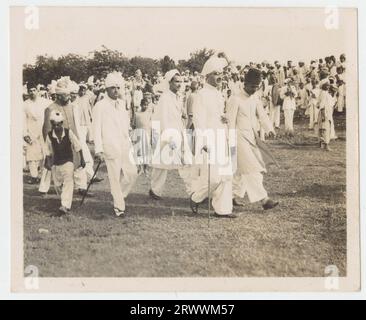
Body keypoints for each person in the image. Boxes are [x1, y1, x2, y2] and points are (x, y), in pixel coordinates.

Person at [189, 56, 237, 218]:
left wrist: (224, 118)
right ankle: (196, 197)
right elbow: (198, 120)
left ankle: (223, 209)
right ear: (207, 75)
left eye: (221, 73)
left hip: (221, 137)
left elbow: (216, 114)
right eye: (216, 74)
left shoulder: (218, 93)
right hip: (209, 140)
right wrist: (203, 141)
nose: (220, 77)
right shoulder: (201, 95)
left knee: (226, 176)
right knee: (214, 177)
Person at [227, 68, 278, 210]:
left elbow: (262, 114)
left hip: (251, 137)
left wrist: (270, 129)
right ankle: (264, 200)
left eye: (257, 87)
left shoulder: (255, 98)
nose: (254, 90)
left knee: (239, 170)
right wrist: (230, 142)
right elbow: (230, 121)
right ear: (245, 83)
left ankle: (230, 195)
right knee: (252, 169)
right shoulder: (235, 98)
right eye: (252, 86)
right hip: (237, 138)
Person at [93, 73, 138, 217]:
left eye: (118, 87)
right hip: (110, 146)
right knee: (114, 178)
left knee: (132, 173)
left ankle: (119, 195)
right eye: (113, 88)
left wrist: (130, 140)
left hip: (125, 145)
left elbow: (125, 125)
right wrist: (98, 149)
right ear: (106, 89)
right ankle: (119, 207)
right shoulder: (100, 106)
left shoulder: (121, 105)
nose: (116, 90)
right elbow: (96, 129)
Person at [40, 77, 88, 196]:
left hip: (72, 139)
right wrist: (49, 146)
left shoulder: (72, 107)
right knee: (50, 163)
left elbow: (76, 124)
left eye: (69, 94)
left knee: (77, 162)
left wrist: (78, 139)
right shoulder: (50, 108)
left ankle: (81, 186)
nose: (69, 97)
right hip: (57, 141)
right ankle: (43, 188)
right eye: (66, 95)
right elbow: (46, 129)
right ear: (59, 95)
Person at [149, 69, 192, 200]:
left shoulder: (177, 96)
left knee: (186, 162)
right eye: (176, 82)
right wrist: (169, 137)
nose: (179, 84)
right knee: (161, 165)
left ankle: (194, 192)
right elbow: (163, 118)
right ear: (170, 82)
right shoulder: (165, 98)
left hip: (178, 131)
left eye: (181, 81)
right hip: (168, 133)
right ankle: (155, 190)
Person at [44, 110, 85, 216]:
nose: (56, 127)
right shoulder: (49, 135)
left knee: (68, 181)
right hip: (56, 163)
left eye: (58, 124)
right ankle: (64, 198)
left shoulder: (68, 132)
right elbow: (47, 151)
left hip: (68, 161)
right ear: (51, 124)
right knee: (57, 185)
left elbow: (78, 146)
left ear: (62, 123)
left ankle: (65, 205)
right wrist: (47, 163)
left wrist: (82, 159)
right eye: (54, 124)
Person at [23, 84, 50, 184]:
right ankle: (34, 176)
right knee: (31, 155)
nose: (32, 92)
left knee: (45, 153)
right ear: (27, 92)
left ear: (37, 91)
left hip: (43, 131)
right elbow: (22, 120)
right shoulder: (25, 104)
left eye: (34, 90)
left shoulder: (45, 102)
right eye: (30, 90)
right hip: (31, 131)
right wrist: (25, 134)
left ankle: (44, 175)